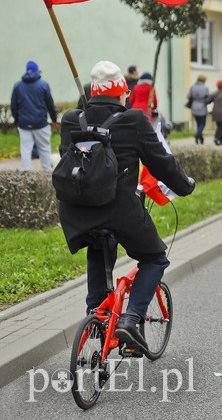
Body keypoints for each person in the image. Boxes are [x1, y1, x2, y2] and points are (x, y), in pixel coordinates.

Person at [57, 60, 195, 350]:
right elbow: (161, 162)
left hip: (76, 212)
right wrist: (185, 186)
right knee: (155, 257)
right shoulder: (133, 120)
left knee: (98, 245)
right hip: (118, 209)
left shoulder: (72, 120)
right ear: (123, 93)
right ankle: (130, 320)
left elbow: (70, 158)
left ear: (93, 92)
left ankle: (94, 315)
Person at [10, 60, 59, 171]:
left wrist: (17, 120)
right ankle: (46, 172)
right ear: (37, 71)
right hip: (41, 123)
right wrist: (54, 120)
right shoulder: (44, 85)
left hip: (23, 124)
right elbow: (50, 104)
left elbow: (13, 106)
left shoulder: (17, 86)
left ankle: (27, 173)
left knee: (26, 149)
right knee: (44, 148)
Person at [187, 75, 210, 144]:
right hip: (202, 107)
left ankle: (200, 139)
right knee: (202, 123)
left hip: (194, 106)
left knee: (198, 124)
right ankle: (197, 135)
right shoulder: (205, 88)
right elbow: (208, 97)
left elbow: (189, 96)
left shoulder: (193, 87)